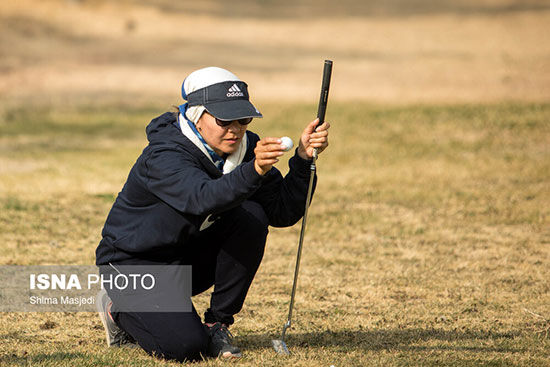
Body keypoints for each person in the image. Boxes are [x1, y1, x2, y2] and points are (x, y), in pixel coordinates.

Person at [95, 66, 330, 362]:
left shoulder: (244, 149)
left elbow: (281, 212)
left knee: (252, 216)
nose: (235, 129)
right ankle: (116, 308)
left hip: (186, 260)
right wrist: (254, 170)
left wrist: (303, 159)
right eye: (224, 119)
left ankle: (217, 323)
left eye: (243, 118)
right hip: (133, 265)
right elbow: (201, 198)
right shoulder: (165, 154)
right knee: (185, 348)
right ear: (196, 115)